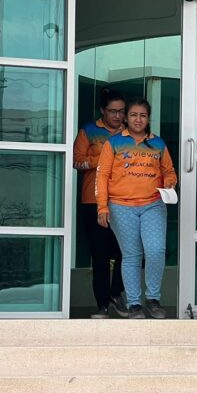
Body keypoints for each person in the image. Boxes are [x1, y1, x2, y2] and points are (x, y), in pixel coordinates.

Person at [96, 97, 177, 319]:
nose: (138, 119)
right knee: (131, 255)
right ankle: (134, 304)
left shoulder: (158, 143)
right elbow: (101, 176)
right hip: (121, 206)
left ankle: (153, 299)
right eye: (133, 115)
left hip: (153, 204)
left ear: (148, 118)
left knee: (156, 250)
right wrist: (102, 207)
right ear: (126, 118)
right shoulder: (113, 143)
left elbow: (169, 171)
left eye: (142, 115)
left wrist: (170, 180)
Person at [73, 87, 128, 318]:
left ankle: (116, 292)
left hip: (125, 201)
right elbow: (77, 162)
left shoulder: (131, 132)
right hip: (93, 201)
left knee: (129, 251)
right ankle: (103, 304)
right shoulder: (89, 131)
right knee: (100, 255)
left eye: (121, 111)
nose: (118, 116)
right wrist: (104, 157)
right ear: (102, 111)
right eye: (113, 111)